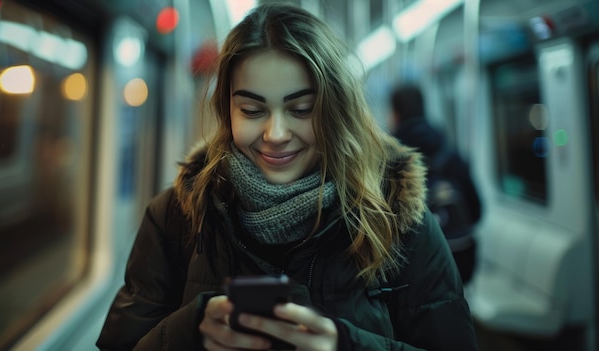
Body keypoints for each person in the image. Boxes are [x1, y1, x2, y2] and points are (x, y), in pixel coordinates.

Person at [96, 3, 477, 350]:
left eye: (301, 109)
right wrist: (189, 332)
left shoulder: (398, 221)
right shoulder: (177, 217)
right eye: (251, 109)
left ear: (335, 112)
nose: (276, 134)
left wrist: (346, 346)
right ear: (227, 111)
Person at [389, 84, 482, 284]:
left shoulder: (390, 160)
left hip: (415, 269)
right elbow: (477, 211)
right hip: (460, 261)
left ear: (396, 114)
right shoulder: (450, 152)